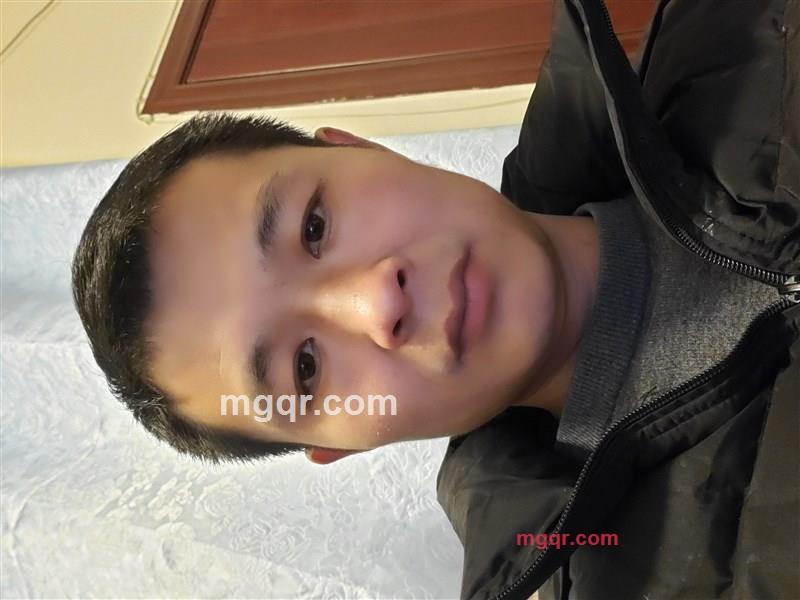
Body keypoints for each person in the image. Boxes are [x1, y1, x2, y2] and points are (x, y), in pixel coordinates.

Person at [72, 0, 798, 597]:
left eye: (314, 227)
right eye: (305, 370)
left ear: (357, 149)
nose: (375, 304)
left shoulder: (742, 24)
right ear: (337, 445)